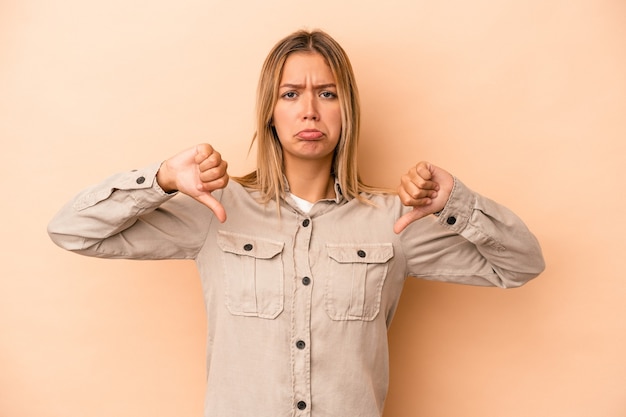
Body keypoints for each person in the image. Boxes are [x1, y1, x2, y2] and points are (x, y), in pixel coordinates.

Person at [48, 29, 545, 417]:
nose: (309, 110)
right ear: (270, 111)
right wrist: (160, 179)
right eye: (291, 94)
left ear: (347, 110)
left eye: (327, 94)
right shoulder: (216, 211)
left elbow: (520, 264)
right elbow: (72, 229)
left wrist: (453, 199)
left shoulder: (394, 222)